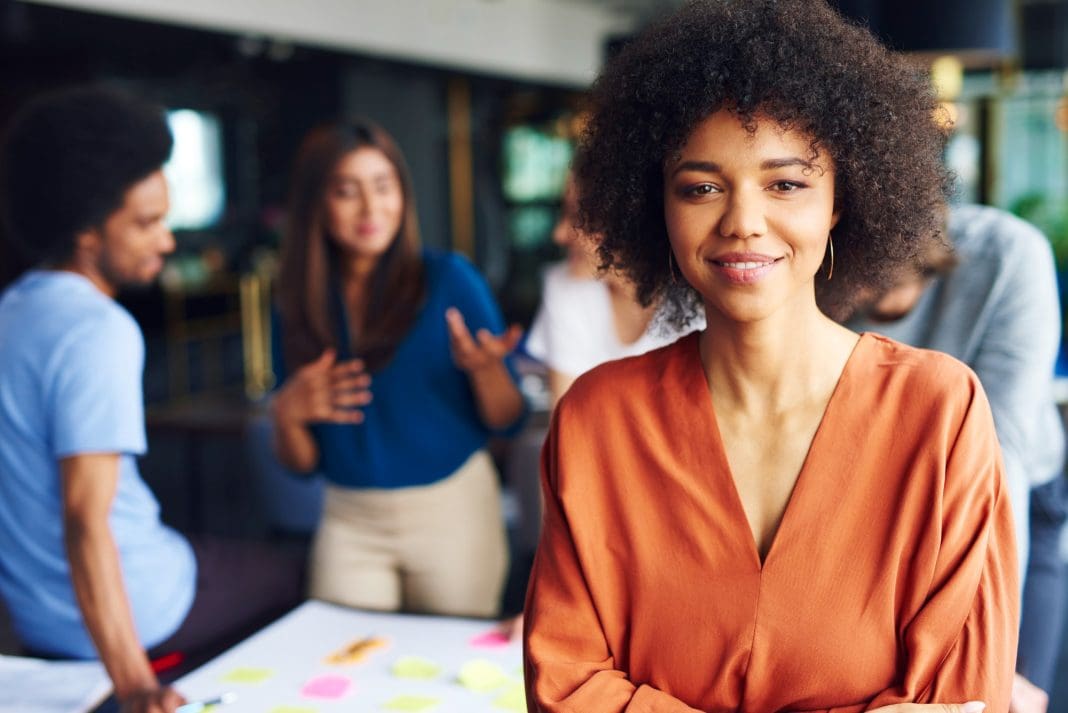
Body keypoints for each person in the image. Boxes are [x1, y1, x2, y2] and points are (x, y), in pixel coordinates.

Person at [523, 1, 1018, 712]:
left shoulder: (938, 412)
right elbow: (566, 684)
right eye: (700, 187)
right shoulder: (597, 420)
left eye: (786, 183)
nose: (743, 222)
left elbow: (962, 696)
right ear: (654, 205)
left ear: (841, 198)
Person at [0, 86, 303, 713]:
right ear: (86, 230)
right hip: (140, 611)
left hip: (39, 619)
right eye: (146, 223)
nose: (166, 241)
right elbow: (87, 521)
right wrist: (136, 684)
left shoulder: (11, 311)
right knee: (297, 571)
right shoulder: (98, 329)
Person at [271, 119, 526, 618]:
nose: (371, 208)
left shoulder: (450, 279)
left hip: (452, 511)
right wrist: (287, 413)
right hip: (349, 518)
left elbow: (508, 419)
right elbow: (301, 466)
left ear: (403, 195)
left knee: (452, 680)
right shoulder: (298, 302)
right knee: (341, 678)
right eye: (347, 191)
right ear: (316, 205)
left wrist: (486, 371)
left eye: (383, 187)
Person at [847, 203, 1066, 713]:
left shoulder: (1009, 257)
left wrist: (996, 657)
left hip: (1018, 496)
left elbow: (1000, 454)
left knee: (1014, 688)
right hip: (891, 499)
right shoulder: (823, 276)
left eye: (889, 306)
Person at [525, 174, 700, 406]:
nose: (558, 235)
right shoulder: (563, 286)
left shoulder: (699, 301)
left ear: (628, 224)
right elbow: (567, 428)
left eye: (577, 217)